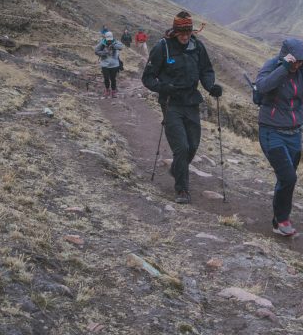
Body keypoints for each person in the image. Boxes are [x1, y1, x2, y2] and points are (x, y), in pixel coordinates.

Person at [142, 11, 223, 203]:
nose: (185, 37)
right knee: (182, 148)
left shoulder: (197, 46)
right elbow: (147, 78)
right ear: (175, 32)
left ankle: (177, 169)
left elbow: (206, 70)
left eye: (188, 32)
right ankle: (182, 190)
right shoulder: (163, 48)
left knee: (193, 146)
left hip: (191, 101)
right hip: (170, 103)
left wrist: (211, 86)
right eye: (182, 33)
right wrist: (164, 87)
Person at [255, 38, 303, 236]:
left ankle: (278, 220)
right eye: (294, 61)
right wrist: (284, 68)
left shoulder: (302, 68)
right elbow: (262, 86)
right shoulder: (272, 65)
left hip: (294, 133)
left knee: (285, 178)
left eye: (300, 62)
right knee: (288, 177)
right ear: (285, 56)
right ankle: (283, 219)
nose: (297, 65)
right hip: (271, 131)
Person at [94, 31, 124, 98]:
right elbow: (96, 51)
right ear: (105, 38)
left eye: (110, 40)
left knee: (113, 79)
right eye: (108, 40)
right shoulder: (102, 43)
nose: (109, 41)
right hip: (105, 64)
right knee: (106, 78)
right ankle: (107, 90)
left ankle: (113, 92)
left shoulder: (115, 42)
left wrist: (113, 45)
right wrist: (105, 52)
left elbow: (121, 47)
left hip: (114, 65)